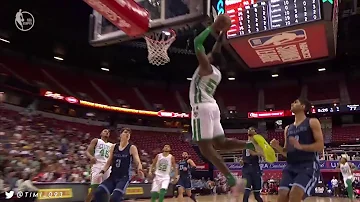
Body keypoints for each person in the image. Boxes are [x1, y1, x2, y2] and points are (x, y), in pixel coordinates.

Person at [189, 14, 256, 194]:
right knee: (222, 143)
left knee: (205, 148)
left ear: (210, 58)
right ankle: (248, 145)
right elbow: (217, 49)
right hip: (213, 107)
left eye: (209, 54)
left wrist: (213, 28)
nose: (207, 53)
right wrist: (221, 35)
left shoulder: (206, 66)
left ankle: (229, 176)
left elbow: (197, 42)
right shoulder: (217, 72)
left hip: (201, 107)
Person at [270, 98, 324, 202]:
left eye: (295, 102)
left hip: (307, 165)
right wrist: (277, 147)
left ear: (303, 106)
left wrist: (301, 147)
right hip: (290, 166)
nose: (292, 103)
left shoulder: (312, 122)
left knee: (295, 196)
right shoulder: (288, 128)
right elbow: (287, 153)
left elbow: (320, 145)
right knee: (281, 197)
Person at [94, 128, 143, 202]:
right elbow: (109, 162)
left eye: (129, 133)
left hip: (124, 178)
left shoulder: (131, 147)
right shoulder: (114, 147)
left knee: (114, 198)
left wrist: (139, 169)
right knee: (98, 192)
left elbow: (137, 161)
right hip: (113, 176)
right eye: (125, 132)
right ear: (120, 135)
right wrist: (102, 172)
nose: (128, 134)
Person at [85, 129, 113, 202]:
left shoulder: (111, 145)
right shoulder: (96, 140)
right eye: (105, 131)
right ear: (101, 133)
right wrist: (91, 157)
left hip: (107, 167)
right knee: (94, 189)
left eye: (108, 132)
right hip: (97, 165)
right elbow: (88, 151)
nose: (107, 132)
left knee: (108, 190)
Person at [240, 127, 264, 202]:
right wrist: (242, 160)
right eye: (249, 134)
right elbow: (244, 156)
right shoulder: (245, 145)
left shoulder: (258, 145)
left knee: (257, 195)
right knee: (247, 190)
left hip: (255, 168)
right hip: (246, 168)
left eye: (252, 134)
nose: (250, 136)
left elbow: (261, 154)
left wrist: (257, 153)